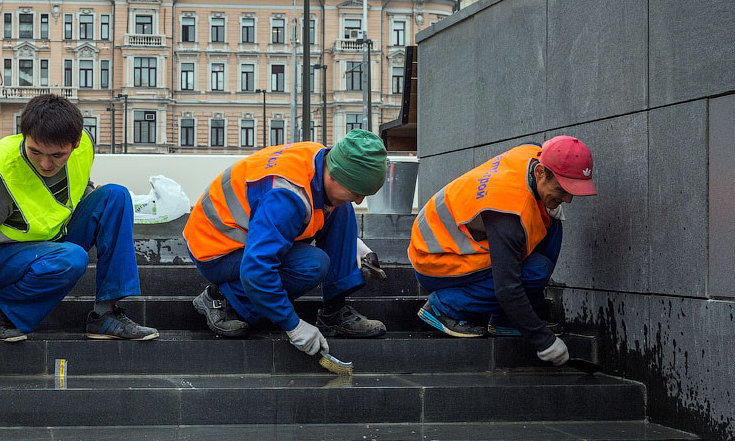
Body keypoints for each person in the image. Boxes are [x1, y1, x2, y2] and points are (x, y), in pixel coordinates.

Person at [0, 94, 158, 369]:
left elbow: (76, 187)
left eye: (57, 155)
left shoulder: (84, 146)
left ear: (75, 143)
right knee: (71, 258)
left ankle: (106, 314)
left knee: (115, 196)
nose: (45, 164)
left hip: (49, 243)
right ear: (24, 136)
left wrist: (94, 204)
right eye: (35, 152)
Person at [184, 130, 390, 357]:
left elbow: (321, 207)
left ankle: (334, 310)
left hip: (251, 232)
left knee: (342, 207)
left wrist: (351, 244)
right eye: (356, 191)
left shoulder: (322, 159)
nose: (360, 199)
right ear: (334, 175)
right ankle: (220, 298)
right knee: (312, 264)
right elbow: (257, 270)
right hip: (217, 248)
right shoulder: (285, 196)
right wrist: (293, 324)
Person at [408, 136, 597, 366]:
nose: (567, 199)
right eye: (562, 189)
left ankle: (506, 320)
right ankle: (444, 306)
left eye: (572, 190)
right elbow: (507, 288)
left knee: (552, 223)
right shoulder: (506, 211)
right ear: (539, 172)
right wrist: (542, 339)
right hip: (436, 259)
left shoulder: (533, 153)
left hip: (452, 243)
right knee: (533, 272)